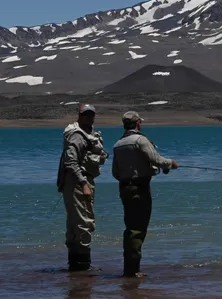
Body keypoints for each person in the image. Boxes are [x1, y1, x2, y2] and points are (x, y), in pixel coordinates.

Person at [111, 111, 178, 277]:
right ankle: (132, 271)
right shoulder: (140, 140)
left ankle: (130, 268)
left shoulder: (118, 144)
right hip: (139, 188)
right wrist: (171, 163)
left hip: (124, 188)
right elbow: (156, 159)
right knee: (137, 229)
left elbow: (115, 172)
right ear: (138, 123)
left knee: (130, 227)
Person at [56, 103, 109, 271]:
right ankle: (83, 267)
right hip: (79, 182)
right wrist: (83, 183)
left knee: (75, 224)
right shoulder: (77, 136)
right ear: (79, 116)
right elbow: (70, 161)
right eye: (85, 115)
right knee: (84, 223)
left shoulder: (88, 134)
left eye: (91, 114)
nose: (89, 117)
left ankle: (75, 267)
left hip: (80, 181)